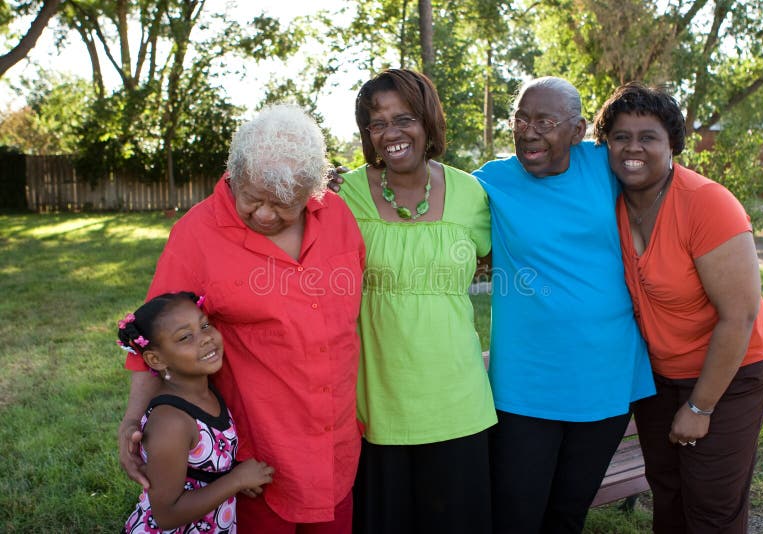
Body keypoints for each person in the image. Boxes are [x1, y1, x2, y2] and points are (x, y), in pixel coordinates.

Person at [118, 104, 366, 533]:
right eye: (252, 198)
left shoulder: (339, 219)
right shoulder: (197, 235)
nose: (265, 215)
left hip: (336, 444)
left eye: (283, 205)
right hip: (256, 456)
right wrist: (132, 421)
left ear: (311, 191)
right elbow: (153, 338)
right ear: (233, 173)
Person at [593, 82, 763, 533]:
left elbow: (740, 315)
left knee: (711, 503)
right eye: (620, 137)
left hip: (732, 369)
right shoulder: (608, 199)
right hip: (659, 372)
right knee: (668, 490)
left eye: (648, 137)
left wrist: (700, 408)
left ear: (672, 144)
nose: (632, 148)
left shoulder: (705, 203)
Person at [471, 76, 655, 533]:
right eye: (521, 118)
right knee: (514, 513)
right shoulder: (490, 181)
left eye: (546, 122)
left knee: (568, 514)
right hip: (525, 384)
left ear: (577, 132)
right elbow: (423, 193)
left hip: (607, 378)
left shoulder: (605, 166)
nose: (529, 131)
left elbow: (665, 176)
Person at [337, 68, 495, 533]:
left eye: (403, 118)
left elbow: (510, 258)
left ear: (428, 123)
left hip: (458, 399)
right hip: (378, 402)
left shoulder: (472, 194)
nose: (391, 133)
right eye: (378, 122)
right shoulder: (344, 195)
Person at [119, 291, 274, 533]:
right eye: (185, 337)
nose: (205, 339)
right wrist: (236, 480)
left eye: (205, 325)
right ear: (155, 359)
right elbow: (167, 514)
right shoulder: (171, 422)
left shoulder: (206, 393)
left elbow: (199, 469)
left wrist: (227, 477)